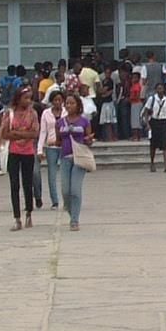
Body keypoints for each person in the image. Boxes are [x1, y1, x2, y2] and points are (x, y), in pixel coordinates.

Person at [0, 83, 41, 231]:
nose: (28, 101)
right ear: (18, 98)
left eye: (30, 98)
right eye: (25, 98)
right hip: (14, 152)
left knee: (27, 184)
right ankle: (17, 218)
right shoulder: (9, 113)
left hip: (28, 152)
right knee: (14, 185)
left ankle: (29, 212)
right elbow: (5, 133)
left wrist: (18, 134)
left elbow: (35, 133)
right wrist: (22, 134)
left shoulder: (33, 113)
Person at [58, 92, 95, 231]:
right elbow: (58, 140)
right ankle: (70, 209)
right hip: (65, 157)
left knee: (75, 190)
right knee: (65, 190)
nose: (69, 105)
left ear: (78, 105)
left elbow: (88, 139)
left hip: (79, 158)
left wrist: (89, 140)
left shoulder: (84, 121)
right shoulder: (60, 122)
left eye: (72, 103)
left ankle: (74, 220)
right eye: (67, 103)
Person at [36, 89, 66, 210]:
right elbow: (43, 132)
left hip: (65, 146)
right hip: (51, 147)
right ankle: (55, 201)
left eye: (60, 100)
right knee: (51, 175)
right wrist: (39, 149)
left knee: (65, 174)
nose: (58, 102)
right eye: (55, 100)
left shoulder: (66, 112)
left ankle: (66, 199)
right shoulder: (46, 113)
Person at [144, 80, 166, 173]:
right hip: (154, 122)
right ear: (156, 90)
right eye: (158, 88)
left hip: (163, 122)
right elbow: (146, 111)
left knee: (165, 144)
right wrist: (147, 124)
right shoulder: (152, 99)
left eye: (162, 88)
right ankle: (152, 163)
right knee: (153, 145)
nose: (160, 90)